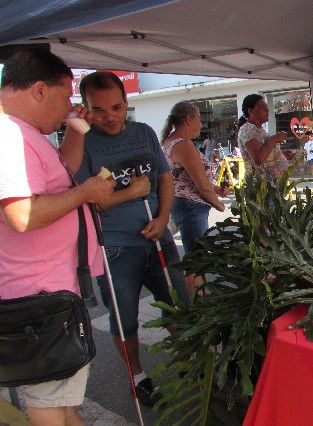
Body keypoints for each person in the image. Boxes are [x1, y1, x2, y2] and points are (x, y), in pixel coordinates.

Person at [0, 49, 114, 425]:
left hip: (52, 296)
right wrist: (87, 192)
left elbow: (63, 171)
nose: (69, 105)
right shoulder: (9, 136)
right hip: (40, 300)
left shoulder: (25, 133)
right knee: (49, 404)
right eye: (66, 96)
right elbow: (21, 214)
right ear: (38, 90)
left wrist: (73, 131)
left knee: (60, 400)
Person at [69, 71, 189, 407]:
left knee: (176, 305)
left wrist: (164, 218)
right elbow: (93, 199)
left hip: (158, 237)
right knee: (125, 318)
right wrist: (134, 191)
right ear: (86, 108)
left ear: (126, 103)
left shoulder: (145, 132)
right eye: (100, 109)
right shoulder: (85, 143)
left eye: (117, 107)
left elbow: (164, 179)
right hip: (115, 247)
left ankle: (184, 359)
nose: (110, 116)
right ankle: (137, 377)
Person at [160, 101, 228, 295]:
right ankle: (195, 304)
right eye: (199, 120)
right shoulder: (182, 145)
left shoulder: (173, 142)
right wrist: (218, 204)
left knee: (194, 257)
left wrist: (215, 189)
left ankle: (194, 300)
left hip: (184, 205)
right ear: (189, 119)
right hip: (190, 207)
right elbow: (200, 185)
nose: (201, 125)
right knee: (196, 259)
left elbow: (188, 177)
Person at [237, 94, 289, 188]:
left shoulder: (258, 129)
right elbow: (258, 158)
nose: (267, 110)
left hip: (272, 186)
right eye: (263, 108)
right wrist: (274, 139)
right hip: (261, 189)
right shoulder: (248, 129)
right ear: (250, 111)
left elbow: (266, 151)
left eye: (267, 108)